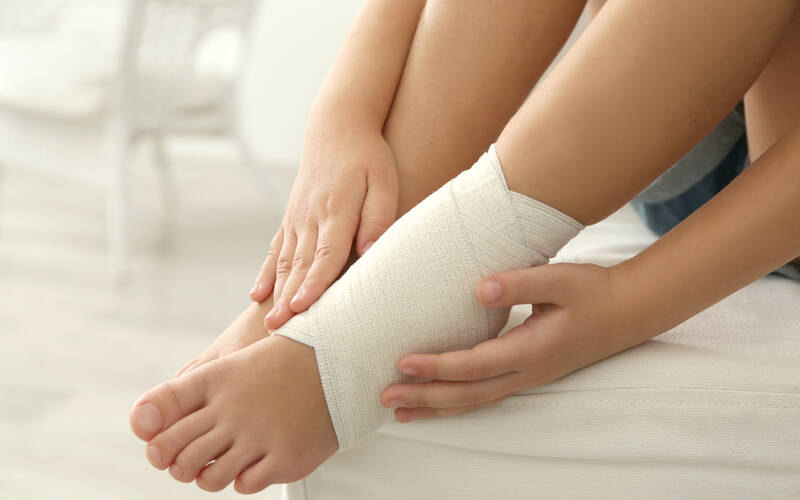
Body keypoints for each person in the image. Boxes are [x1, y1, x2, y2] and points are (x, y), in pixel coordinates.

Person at [129, 0, 800, 495]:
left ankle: (415, 286)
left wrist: (629, 303)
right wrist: (342, 116)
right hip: (690, 112)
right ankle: (341, 278)